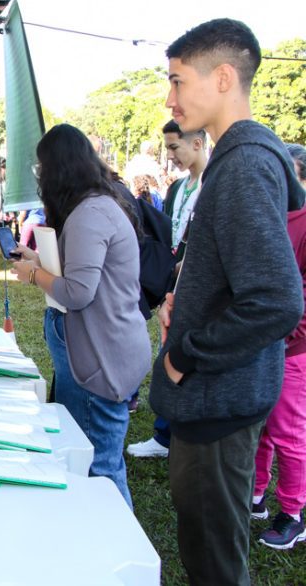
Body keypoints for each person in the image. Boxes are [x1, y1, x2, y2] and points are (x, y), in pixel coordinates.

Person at [151, 19, 304, 584]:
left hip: (217, 397)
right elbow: (239, 275)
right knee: (208, 546)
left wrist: (186, 353)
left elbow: (275, 299)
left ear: (221, 78)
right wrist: (187, 296)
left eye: (177, 80)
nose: (170, 98)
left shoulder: (242, 165)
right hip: (223, 394)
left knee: (214, 562)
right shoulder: (239, 161)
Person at [10, 124, 150, 507]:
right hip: (101, 350)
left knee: (99, 465)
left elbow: (77, 293)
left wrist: (34, 274)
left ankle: (118, 547)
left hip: (100, 359)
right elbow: (84, 275)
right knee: (95, 456)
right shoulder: (97, 206)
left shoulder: (89, 213)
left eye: (41, 169)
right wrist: (40, 261)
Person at [127, 119, 208, 459]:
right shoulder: (177, 188)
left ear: (198, 144)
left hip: (200, 287)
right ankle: (164, 435)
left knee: (189, 359)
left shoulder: (215, 184)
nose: (170, 155)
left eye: (175, 147)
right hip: (171, 283)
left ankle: (184, 433)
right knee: (167, 354)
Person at [251, 143, 306, 550]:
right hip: (264, 343)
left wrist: (287, 334)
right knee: (263, 428)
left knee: (288, 432)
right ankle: (255, 495)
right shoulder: (269, 217)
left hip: (293, 349)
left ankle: (293, 513)